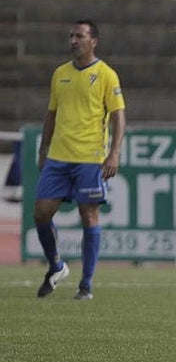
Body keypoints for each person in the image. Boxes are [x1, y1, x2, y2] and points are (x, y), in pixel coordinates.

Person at [33, 20, 126, 300]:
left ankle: (86, 285)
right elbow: (51, 113)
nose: (74, 41)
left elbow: (119, 116)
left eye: (80, 36)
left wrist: (114, 153)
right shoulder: (60, 73)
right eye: (72, 36)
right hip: (58, 157)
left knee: (88, 215)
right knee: (41, 213)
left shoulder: (106, 74)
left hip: (90, 158)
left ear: (93, 41)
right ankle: (57, 266)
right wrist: (43, 148)